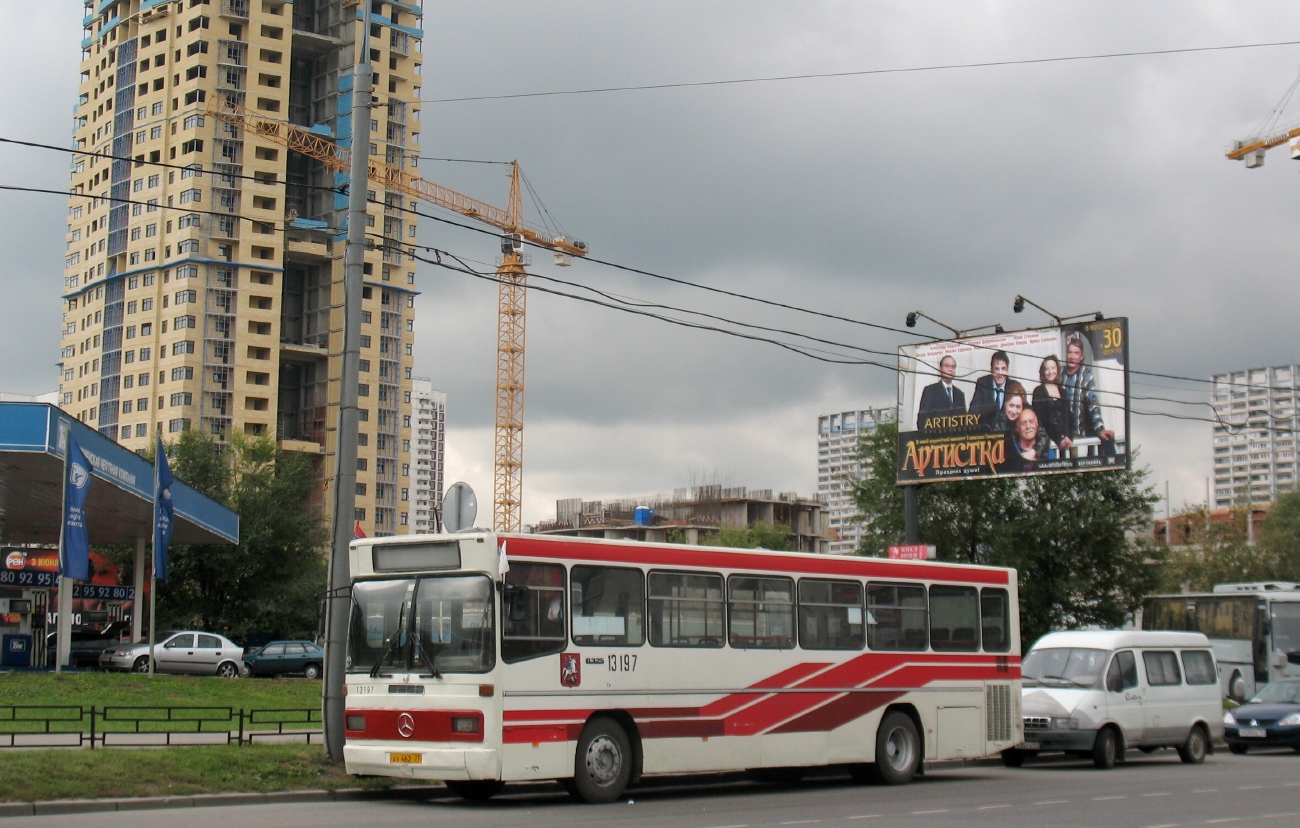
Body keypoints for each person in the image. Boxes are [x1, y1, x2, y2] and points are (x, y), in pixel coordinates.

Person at [1060, 335, 1116, 457]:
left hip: (1083, 432)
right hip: (1063, 435)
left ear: (1081, 356)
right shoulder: (1060, 375)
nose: (1072, 356)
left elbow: (1093, 404)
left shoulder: (1086, 374)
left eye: (1076, 353)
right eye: (1070, 353)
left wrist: (1100, 429)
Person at [1031, 354, 1072, 455]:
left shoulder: (1063, 391)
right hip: (1048, 442)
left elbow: (1069, 416)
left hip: (1066, 442)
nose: (1050, 372)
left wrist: (1068, 436)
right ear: (1043, 372)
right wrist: (1058, 439)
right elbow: (1044, 419)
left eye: (1053, 368)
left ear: (1057, 370)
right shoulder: (1038, 391)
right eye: (1047, 369)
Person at [917, 355, 966, 424]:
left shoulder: (960, 394)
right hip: (935, 434)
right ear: (940, 369)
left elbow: (964, 421)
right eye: (947, 366)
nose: (950, 369)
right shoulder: (930, 390)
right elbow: (922, 420)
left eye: (953, 367)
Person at [1002, 406, 1050, 473]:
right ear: (1017, 428)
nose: (1028, 426)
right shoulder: (1012, 451)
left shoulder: (1047, 452)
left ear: (1037, 425)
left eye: (1031, 422)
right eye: (1024, 423)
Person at [969, 350, 1012, 422]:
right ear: (991, 370)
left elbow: (1025, 409)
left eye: (1003, 369)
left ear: (1007, 370)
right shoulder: (982, 384)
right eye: (996, 369)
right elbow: (973, 412)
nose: (1000, 373)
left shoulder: (1014, 385)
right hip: (987, 430)